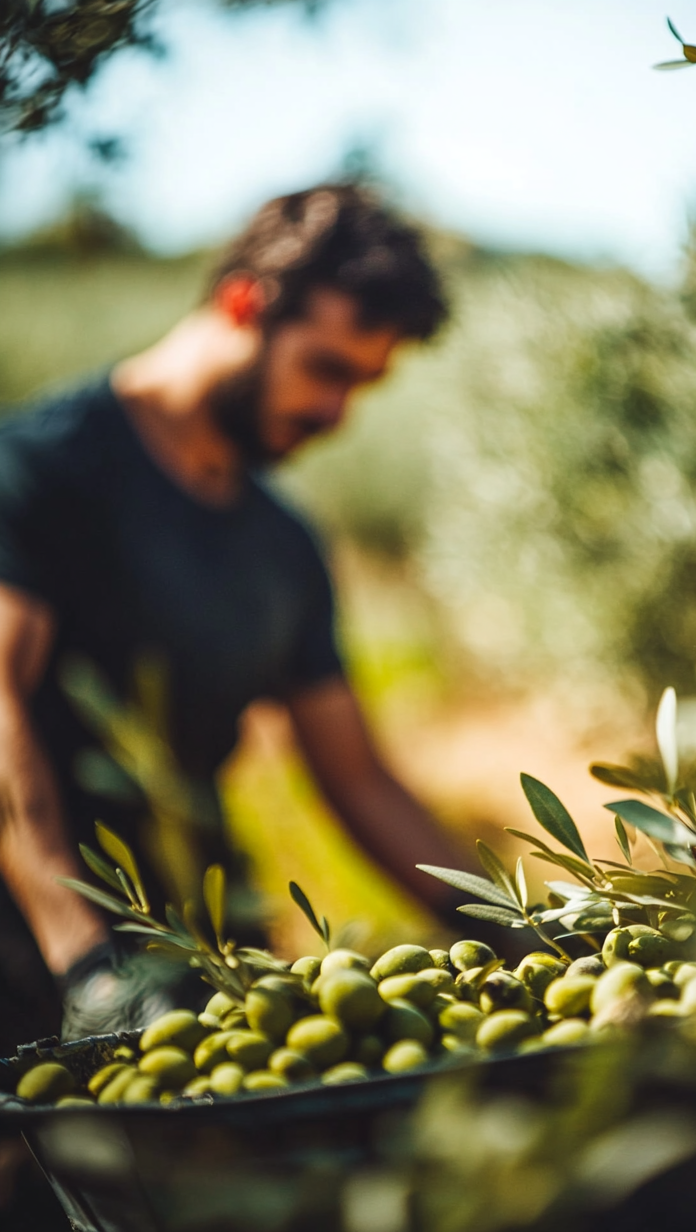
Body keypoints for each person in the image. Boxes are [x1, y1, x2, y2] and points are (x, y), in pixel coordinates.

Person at [0, 183, 474, 1052]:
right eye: (326, 368)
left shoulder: (284, 543)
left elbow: (358, 779)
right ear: (243, 300)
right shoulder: (39, 469)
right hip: (35, 961)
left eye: (362, 386)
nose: (336, 414)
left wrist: (514, 926)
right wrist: (87, 968)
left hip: (203, 954)